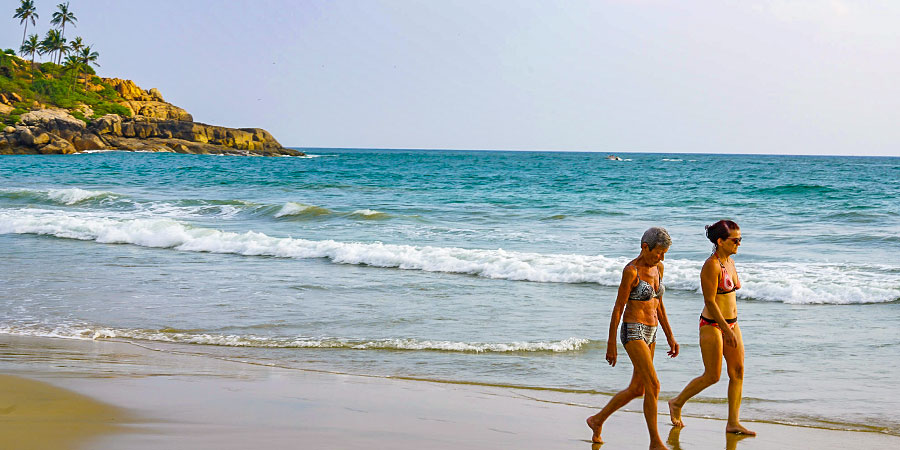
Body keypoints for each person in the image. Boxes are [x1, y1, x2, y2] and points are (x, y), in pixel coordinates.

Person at [586, 227, 679, 449]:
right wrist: (611, 344)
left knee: (639, 389)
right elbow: (618, 308)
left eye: (665, 253)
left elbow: (659, 305)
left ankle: (596, 420)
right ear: (645, 247)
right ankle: (655, 442)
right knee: (654, 385)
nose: (662, 257)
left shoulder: (659, 268)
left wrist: (670, 336)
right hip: (633, 330)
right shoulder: (632, 271)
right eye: (659, 252)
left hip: (652, 331)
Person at [668, 220, 756, 435]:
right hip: (713, 325)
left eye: (740, 240)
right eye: (735, 240)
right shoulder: (712, 265)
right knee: (712, 375)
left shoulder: (730, 262)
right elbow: (710, 301)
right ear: (720, 241)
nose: (739, 244)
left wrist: (731, 327)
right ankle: (677, 403)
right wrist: (726, 329)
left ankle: (733, 422)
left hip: (732, 324)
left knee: (738, 372)